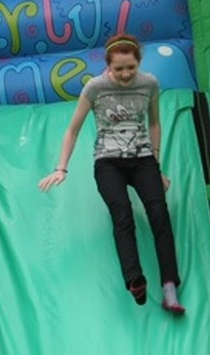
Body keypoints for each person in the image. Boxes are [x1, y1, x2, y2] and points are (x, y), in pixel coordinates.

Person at [38, 33, 184, 313]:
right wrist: (61, 167)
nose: (126, 74)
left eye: (131, 67)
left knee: (159, 215)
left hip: (142, 159)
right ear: (108, 66)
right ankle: (134, 279)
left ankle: (169, 287)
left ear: (138, 62)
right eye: (119, 69)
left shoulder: (149, 83)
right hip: (108, 162)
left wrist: (156, 165)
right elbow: (72, 129)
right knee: (123, 215)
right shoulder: (95, 88)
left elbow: (154, 124)